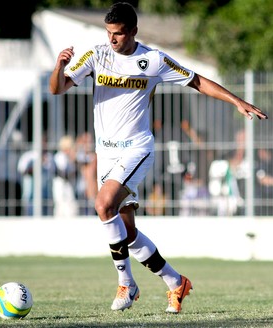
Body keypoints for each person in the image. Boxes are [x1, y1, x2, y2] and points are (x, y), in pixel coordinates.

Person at [49, 2, 268, 313]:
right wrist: (59, 66)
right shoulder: (96, 55)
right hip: (106, 152)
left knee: (102, 204)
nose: (113, 39)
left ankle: (127, 284)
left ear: (134, 31)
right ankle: (176, 282)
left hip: (136, 148)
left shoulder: (152, 60)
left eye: (120, 34)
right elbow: (57, 89)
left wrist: (236, 101)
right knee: (127, 232)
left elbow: (197, 81)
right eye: (109, 33)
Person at [17, 135, 56, 216]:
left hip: (46, 196)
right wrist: (39, 164)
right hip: (31, 196)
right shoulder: (28, 156)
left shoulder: (50, 157)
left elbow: (54, 173)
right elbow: (23, 172)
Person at [53, 135, 79, 217]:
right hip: (62, 188)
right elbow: (63, 173)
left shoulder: (67, 157)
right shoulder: (60, 156)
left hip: (67, 188)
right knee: (62, 208)